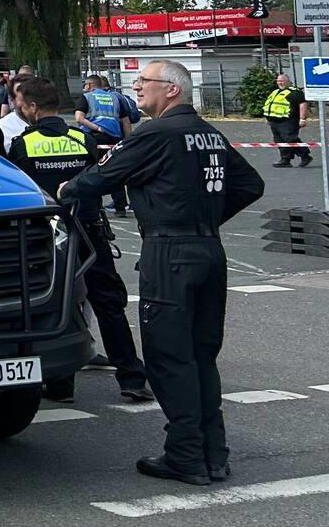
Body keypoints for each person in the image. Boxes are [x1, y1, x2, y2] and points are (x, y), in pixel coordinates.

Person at [60, 59, 264, 485]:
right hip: (208, 249)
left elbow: (99, 178)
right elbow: (249, 185)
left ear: (171, 89)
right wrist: (202, 218)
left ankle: (186, 455)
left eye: (143, 82)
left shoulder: (156, 133)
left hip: (169, 253)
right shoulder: (207, 132)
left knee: (169, 356)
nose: (136, 88)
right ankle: (213, 454)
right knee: (200, 355)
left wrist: (64, 190)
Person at [0, 77, 149, 403]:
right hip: (90, 230)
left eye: (21, 103)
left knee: (58, 304)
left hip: (47, 236)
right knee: (109, 305)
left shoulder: (22, 143)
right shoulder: (83, 138)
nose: (19, 108)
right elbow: (99, 179)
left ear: (34, 106)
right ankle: (132, 378)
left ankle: (61, 384)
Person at [74, 72, 140, 215]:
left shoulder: (86, 98)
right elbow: (126, 121)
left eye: (85, 84)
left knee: (91, 172)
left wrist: (97, 128)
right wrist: (127, 142)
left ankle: (96, 206)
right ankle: (120, 206)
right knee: (114, 172)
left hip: (92, 138)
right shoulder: (115, 98)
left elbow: (79, 118)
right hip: (114, 138)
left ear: (90, 85)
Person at [263, 72, 310, 167]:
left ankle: (305, 156)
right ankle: (285, 159)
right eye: (278, 81)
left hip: (288, 121)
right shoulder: (275, 92)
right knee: (279, 140)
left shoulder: (295, 92)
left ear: (288, 81)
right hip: (274, 121)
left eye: (282, 81)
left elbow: (303, 105)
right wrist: (267, 118)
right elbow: (270, 105)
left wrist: (302, 119)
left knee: (290, 139)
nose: (280, 83)